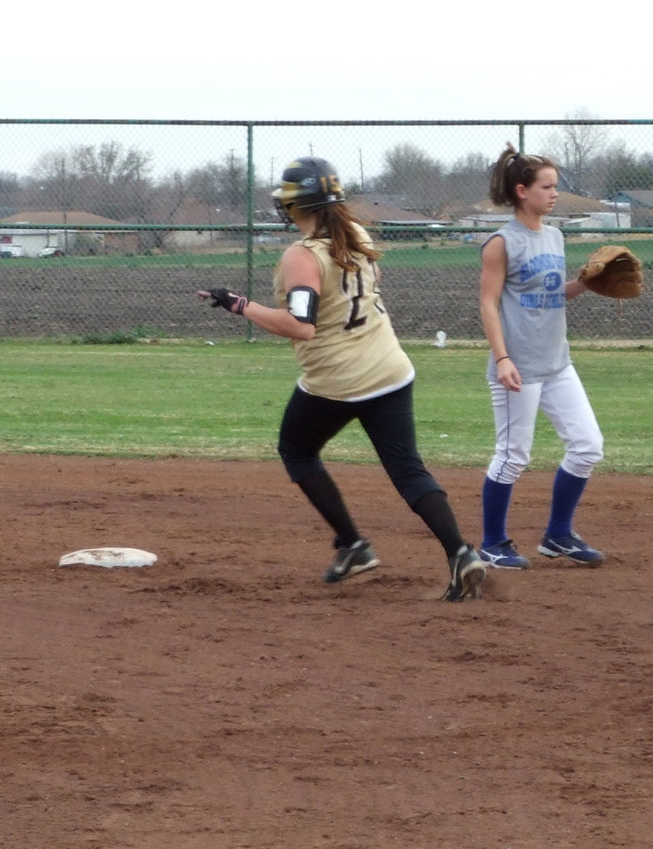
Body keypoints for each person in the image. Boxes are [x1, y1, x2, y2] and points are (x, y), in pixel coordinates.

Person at [198, 157, 486, 602]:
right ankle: (461, 554)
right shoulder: (357, 236)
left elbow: (301, 325)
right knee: (409, 471)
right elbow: (372, 285)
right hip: (390, 368)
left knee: (296, 449)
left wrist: (239, 305)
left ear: (298, 206)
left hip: (338, 379)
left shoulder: (302, 255)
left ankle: (352, 545)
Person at [477, 145, 604, 569]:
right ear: (521, 191)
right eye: (546, 186)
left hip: (557, 362)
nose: (554, 193)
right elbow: (489, 303)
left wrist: (585, 283)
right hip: (519, 367)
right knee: (513, 455)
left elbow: (551, 292)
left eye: (555, 186)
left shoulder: (554, 236)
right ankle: (493, 542)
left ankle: (558, 535)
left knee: (587, 446)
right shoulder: (501, 242)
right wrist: (502, 358)